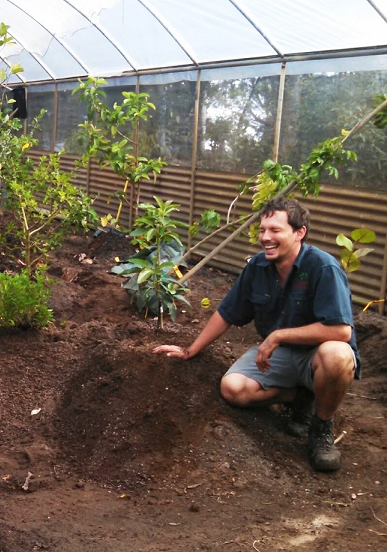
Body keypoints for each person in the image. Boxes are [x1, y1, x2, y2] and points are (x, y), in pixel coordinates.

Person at [152, 197, 359, 472]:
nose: (265, 237)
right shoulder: (257, 267)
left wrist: (277, 336)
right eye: (262, 230)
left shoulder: (323, 268)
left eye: (275, 230)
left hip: (316, 355)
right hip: (282, 356)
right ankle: (299, 398)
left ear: (300, 233)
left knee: (338, 355)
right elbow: (227, 313)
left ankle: (321, 428)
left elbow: (341, 330)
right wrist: (190, 350)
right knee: (233, 389)